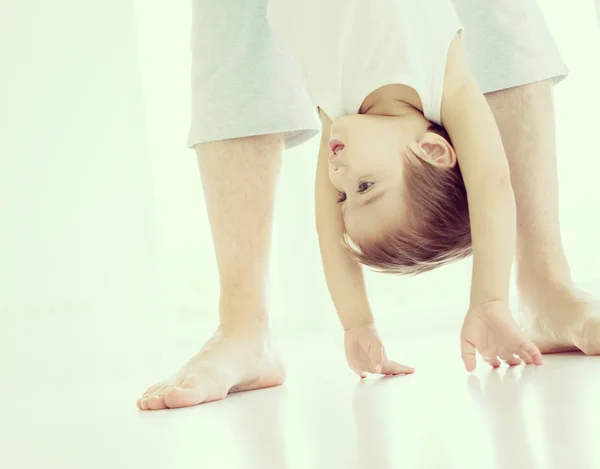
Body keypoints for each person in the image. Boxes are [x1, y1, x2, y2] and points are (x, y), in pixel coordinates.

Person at [136, 0, 600, 411]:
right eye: (366, 187)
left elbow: (327, 230)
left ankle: (245, 334)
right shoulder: (445, 79)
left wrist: (356, 323)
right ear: (433, 152)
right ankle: (540, 288)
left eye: (344, 195)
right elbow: (492, 180)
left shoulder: (336, 111)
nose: (338, 178)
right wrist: (490, 299)